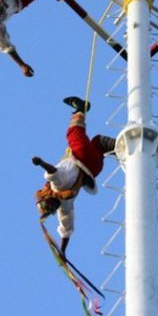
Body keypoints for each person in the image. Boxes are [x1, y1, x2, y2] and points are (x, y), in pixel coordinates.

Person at [32, 96, 116, 257]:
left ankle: (120, 148)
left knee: (97, 143)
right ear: (45, 195)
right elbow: (52, 171)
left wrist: (63, 251)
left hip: (95, 168)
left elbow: (66, 230)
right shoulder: (55, 185)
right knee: (73, 133)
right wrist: (41, 163)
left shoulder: (65, 207)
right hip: (82, 157)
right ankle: (81, 108)